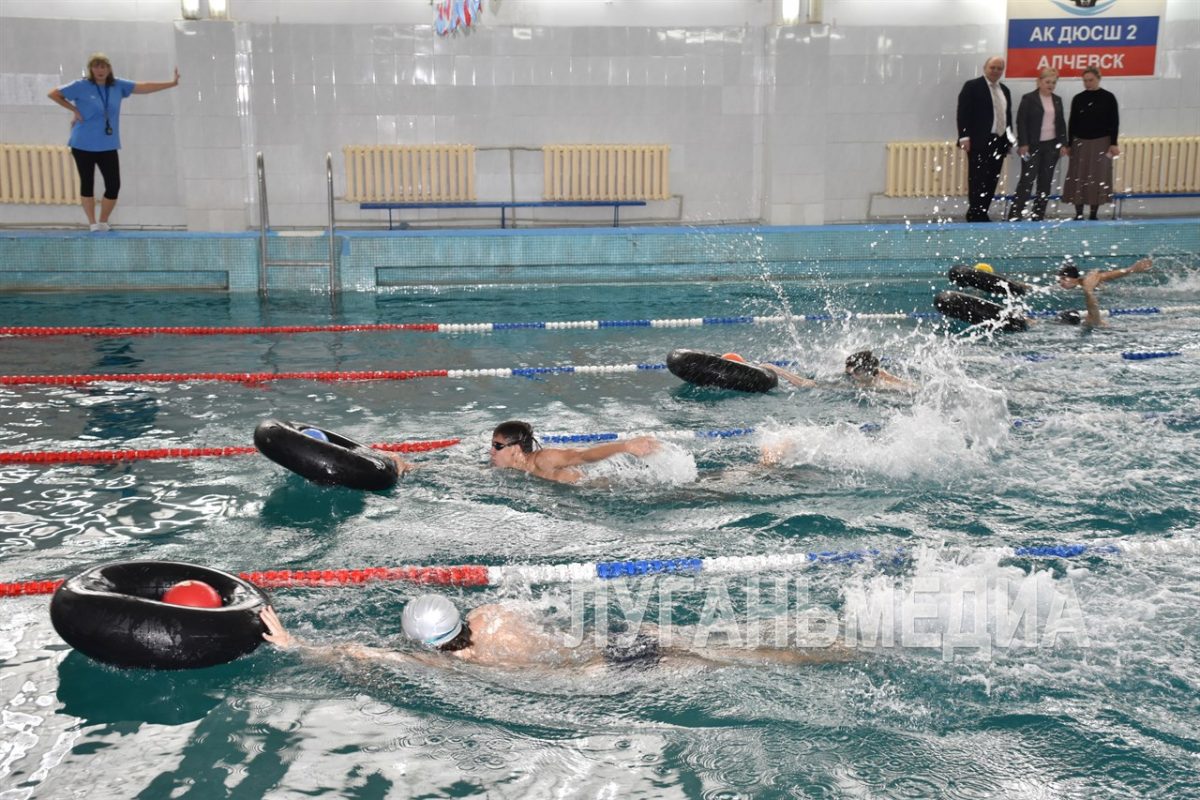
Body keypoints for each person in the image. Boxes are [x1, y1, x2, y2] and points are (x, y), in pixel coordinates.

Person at [259, 595, 852, 670]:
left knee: (740, 663)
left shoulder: (450, 664)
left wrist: (293, 644)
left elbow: (355, 653)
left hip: (607, 669)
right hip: (614, 640)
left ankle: (838, 658)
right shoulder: (494, 616)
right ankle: (847, 643)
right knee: (729, 642)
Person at [47, 53, 180, 232]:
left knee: (113, 185)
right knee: (87, 183)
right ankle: (92, 223)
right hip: (82, 143)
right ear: (91, 69)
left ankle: (103, 221)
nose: (100, 70)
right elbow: (53, 94)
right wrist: (75, 110)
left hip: (108, 144)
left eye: (103, 67)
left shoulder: (117, 85)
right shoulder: (81, 86)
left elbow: (144, 87)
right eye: (96, 66)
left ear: (109, 69)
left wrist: (171, 83)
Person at [489, 420, 661, 484]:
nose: (492, 451)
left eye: (497, 446)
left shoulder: (543, 459)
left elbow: (582, 456)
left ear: (516, 450)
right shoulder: (514, 470)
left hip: (609, 488)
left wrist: (625, 446)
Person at [956, 56, 1013, 223]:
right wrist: (964, 137)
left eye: (999, 68)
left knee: (991, 179)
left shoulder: (1005, 90)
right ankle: (974, 212)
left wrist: (1009, 140)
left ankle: (983, 211)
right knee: (977, 178)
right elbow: (963, 113)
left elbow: (1007, 116)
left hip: (999, 140)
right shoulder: (972, 86)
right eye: (992, 67)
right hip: (979, 141)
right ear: (985, 68)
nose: (995, 71)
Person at [1009, 68, 1068, 222]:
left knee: (1045, 181)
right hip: (1032, 146)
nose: (1051, 85)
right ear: (1039, 81)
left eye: (1053, 83)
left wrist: (1063, 143)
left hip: (1051, 147)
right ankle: (1015, 214)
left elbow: (1061, 123)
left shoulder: (1057, 100)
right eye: (1048, 82)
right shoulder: (1028, 99)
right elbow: (1021, 122)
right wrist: (1023, 143)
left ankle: (1038, 214)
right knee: (1027, 180)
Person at [1062, 65, 1120, 221]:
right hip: (1080, 142)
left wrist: (1113, 143)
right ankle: (1078, 213)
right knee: (1078, 176)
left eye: (1090, 80)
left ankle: (1093, 214)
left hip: (1101, 142)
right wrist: (1069, 144)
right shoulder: (1078, 98)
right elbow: (1072, 122)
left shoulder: (1108, 98)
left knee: (1097, 176)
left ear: (1098, 79)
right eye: (1085, 81)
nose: (1087, 83)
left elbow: (1114, 122)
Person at [1057, 257, 1152, 327]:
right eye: (1059, 279)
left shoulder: (1087, 282)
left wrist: (1131, 269)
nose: (1061, 282)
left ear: (1075, 278)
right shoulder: (1059, 290)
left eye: (1064, 278)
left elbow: (1106, 276)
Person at [759, 351, 915, 393]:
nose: (850, 376)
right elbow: (806, 383)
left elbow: (804, 384)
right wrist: (777, 369)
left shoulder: (857, 386)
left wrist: (776, 369)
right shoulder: (876, 376)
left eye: (852, 373)